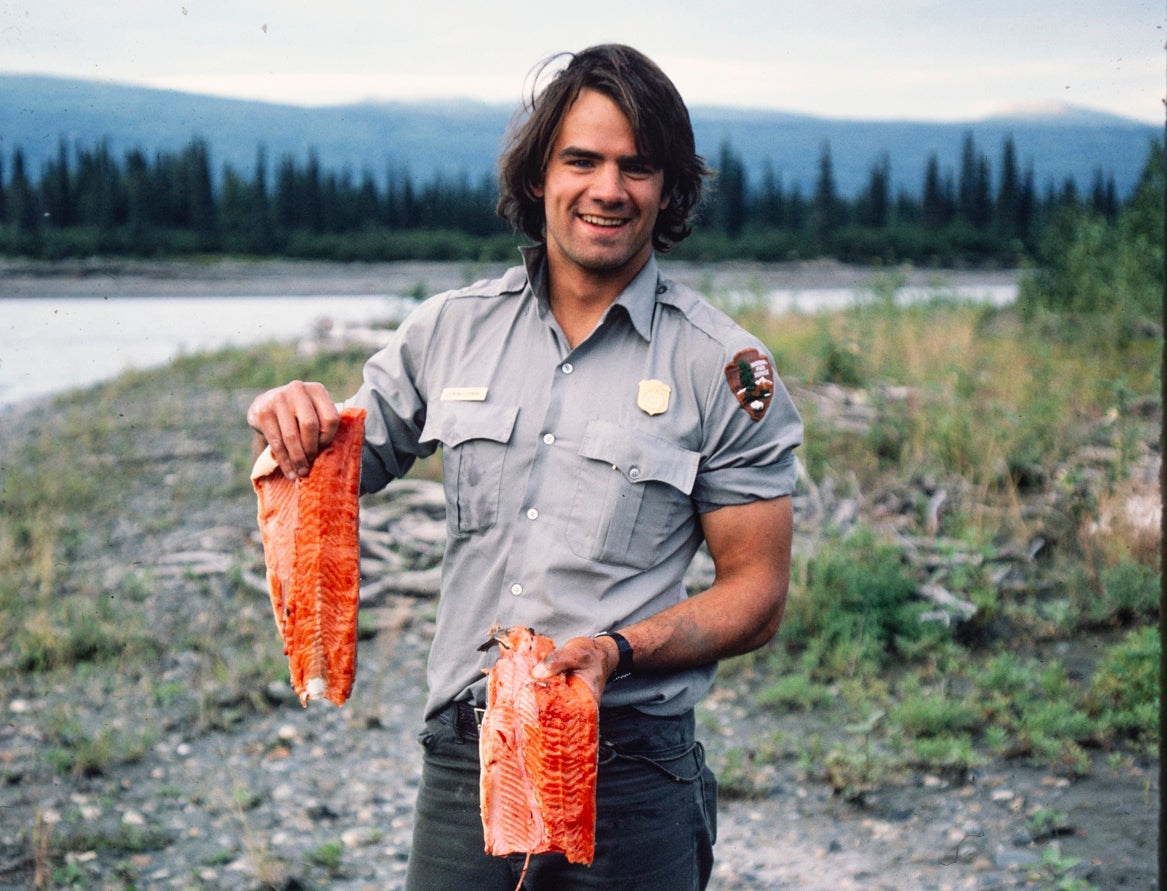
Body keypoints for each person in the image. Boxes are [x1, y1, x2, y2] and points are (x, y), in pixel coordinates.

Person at [247, 43, 802, 891]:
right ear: (539, 175)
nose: (608, 189)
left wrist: (617, 650)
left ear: (669, 188)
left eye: (637, 166)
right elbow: (327, 468)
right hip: (468, 763)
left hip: (634, 775)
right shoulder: (447, 331)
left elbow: (756, 594)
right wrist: (286, 419)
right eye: (580, 159)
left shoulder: (725, 366)